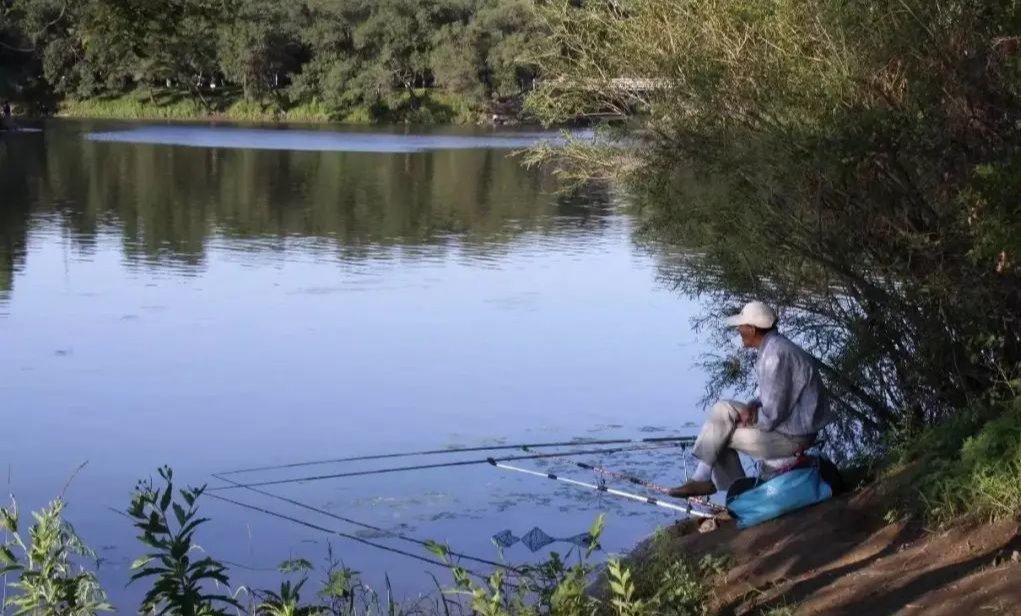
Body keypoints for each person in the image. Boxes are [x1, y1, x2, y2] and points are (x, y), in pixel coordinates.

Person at [669, 301, 833, 498]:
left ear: (753, 329)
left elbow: (772, 416)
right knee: (723, 409)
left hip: (794, 436)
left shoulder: (776, 356)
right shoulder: (772, 347)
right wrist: (752, 405)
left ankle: (737, 495)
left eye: (742, 326)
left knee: (721, 438)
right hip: (785, 425)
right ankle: (702, 478)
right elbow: (774, 396)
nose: (738, 329)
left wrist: (748, 422)